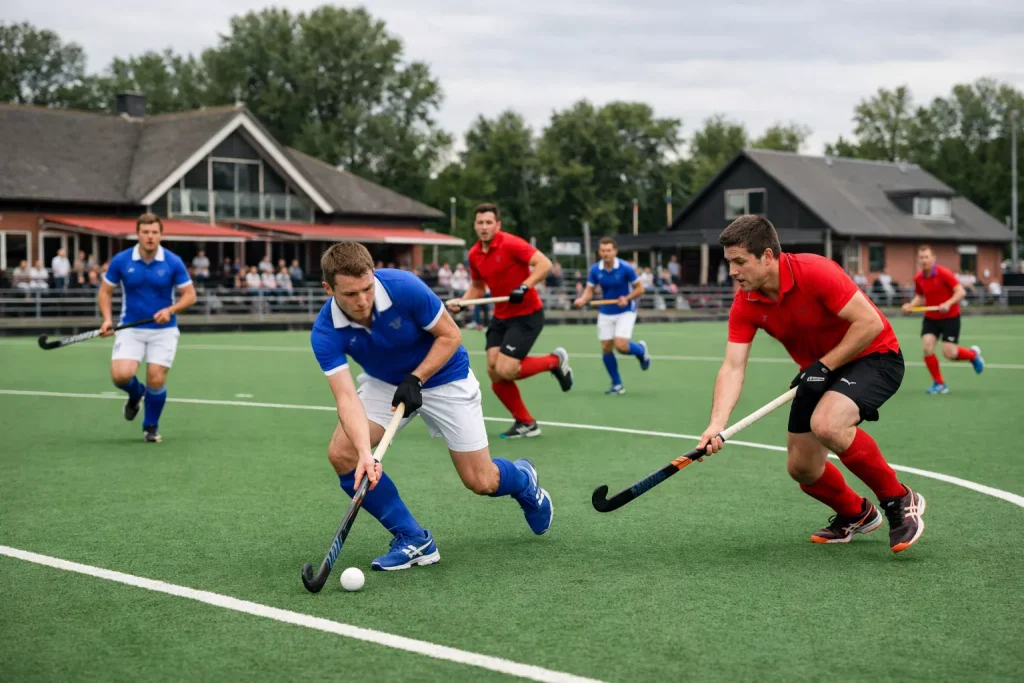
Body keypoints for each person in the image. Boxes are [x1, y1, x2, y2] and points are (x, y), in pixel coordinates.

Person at [310, 242, 553, 571]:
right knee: (343, 453)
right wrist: (366, 454)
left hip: (444, 373)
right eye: (351, 294)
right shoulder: (325, 331)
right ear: (328, 289)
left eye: (367, 288)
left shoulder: (403, 287)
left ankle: (524, 480)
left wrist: (417, 378)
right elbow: (346, 398)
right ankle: (414, 539)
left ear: (374, 276)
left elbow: (451, 336)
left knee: (481, 481)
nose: (363, 301)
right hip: (384, 383)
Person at [697, 215, 925, 554]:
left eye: (740, 262)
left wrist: (824, 365)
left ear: (768, 257)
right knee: (802, 468)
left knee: (828, 424)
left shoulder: (816, 271)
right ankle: (856, 513)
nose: (732, 271)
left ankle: (899, 499)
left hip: (875, 356)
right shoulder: (745, 303)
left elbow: (869, 324)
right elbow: (732, 367)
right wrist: (716, 425)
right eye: (729, 262)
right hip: (818, 371)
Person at [448, 203, 573, 439]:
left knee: (506, 369)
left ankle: (555, 361)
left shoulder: (511, 243)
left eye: (489, 222)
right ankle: (526, 422)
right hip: (501, 317)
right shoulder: (474, 254)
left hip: (527, 315)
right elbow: (477, 287)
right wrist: (463, 302)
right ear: (474, 225)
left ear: (497, 225)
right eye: (480, 223)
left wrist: (525, 286)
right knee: (494, 373)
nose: (484, 227)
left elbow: (544, 264)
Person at [98, 214, 197, 443]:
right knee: (121, 376)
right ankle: (135, 394)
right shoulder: (122, 260)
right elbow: (105, 292)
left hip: (164, 330)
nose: (150, 237)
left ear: (161, 235)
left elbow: (190, 296)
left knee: (156, 378)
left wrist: (170, 310)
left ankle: (150, 426)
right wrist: (106, 320)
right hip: (130, 328)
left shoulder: (173, 261)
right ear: (138, 234)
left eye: (154, 232)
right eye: (145, 232)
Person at [901, 245, 984, 394]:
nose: (924, 260)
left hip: (950, 317)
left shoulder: (944, 273)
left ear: (933, 258)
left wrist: (948, 303)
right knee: (927, 348)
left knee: (949, 353)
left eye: (927, 257)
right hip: (931, 319)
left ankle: (973, 356)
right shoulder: (919, 278)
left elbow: (960, 292)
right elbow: (920, 297)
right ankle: (939, 383)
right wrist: (910, 306)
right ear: (918, 259)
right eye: (921, 257)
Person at [573, 237, 651, 394]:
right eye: (602, 250)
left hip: (625, 310)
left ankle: (641, 351)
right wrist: (582, 299)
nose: (605, 253)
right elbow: (590, 290)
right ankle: (617, 384)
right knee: (606, 348)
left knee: (621, 346)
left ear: (615, 251)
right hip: (606, 311)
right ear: (599, 252)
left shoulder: (625, 268)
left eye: (608, 250)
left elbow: (640, 289)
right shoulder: (595, 270)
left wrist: (627, 298)